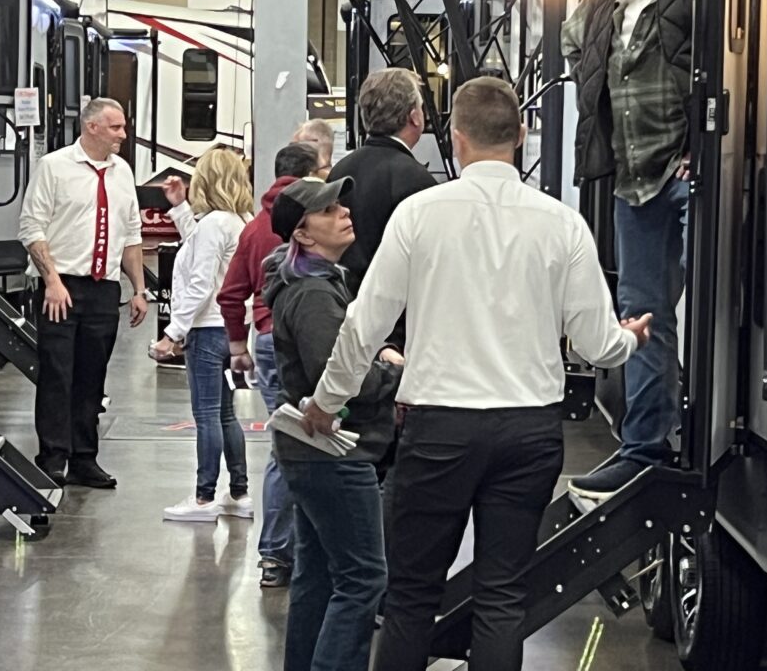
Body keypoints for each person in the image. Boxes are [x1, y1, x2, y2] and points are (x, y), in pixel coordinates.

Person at [303, 77, 651, 671]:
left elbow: (364, 326)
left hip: (438, 431)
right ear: (519, 136)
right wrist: (629, 339)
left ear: (456, 140)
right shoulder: (562, 224)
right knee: (502, 598)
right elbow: (596, 342)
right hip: (528, 434)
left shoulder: (419, 216)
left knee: (411, 598)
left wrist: (325, 402)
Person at [560, 0, 697, 502]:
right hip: (633, 181)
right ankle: (643, 449)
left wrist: (708, 148)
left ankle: (703, 427)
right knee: (641, 318)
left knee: (712, 305)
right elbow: (573, 51)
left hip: (689, 172)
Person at [264, 176, 399, 671]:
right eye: (328, 211)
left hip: (308, 453)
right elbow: (335, 378)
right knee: (363, 578)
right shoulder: (316, 294)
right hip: (335, 452)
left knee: (317, 577)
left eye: (341, 204)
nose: (343, 212)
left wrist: (373, 352)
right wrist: (392, 374)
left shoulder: (314, 285)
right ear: (302, 234)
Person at [19, 98, 150, 489]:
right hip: (63, 285)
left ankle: (84, 457)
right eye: (116, 128)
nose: (123, 136)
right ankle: (53, 455)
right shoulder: (55, 167)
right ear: (92, 127)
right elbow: (31, 227)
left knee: (92, 377)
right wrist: (53, 281)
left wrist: (139, 288)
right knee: (58, 373)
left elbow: (131, 235)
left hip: (103, 288)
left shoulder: (122, 172)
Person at [216, 142, 325, 587]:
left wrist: (239, 344)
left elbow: (230, 293)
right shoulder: (312, 225)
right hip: (305, 340)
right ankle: (295, 550)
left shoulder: (256, 227)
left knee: (283, 449)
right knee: (308, 446)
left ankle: (276, 556)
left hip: (264, 338)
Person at [151, 148, 256, 522]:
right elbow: (199, 246)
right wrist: (179, 209)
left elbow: (199, 284)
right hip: (231, 328)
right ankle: (239, 493)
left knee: (207, 414)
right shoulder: (240, 220)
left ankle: (203, 497)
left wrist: (172, 333)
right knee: (227, 414)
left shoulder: (215, 224)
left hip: (206, 329)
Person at [326, 68, 436, 299]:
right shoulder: (417, 180)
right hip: (397, 318)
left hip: (342, 303)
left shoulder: (339, 171)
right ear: (414, 116)